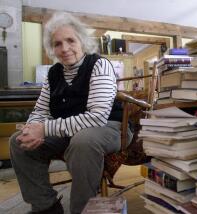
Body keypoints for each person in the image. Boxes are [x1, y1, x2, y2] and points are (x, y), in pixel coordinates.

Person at [10, 12, 132, 214]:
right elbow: (41, 109)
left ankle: (82, 209)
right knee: (18, 142)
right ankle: (46, 206)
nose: (65, 48)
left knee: (83, 141)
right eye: (57, 43)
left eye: (70, 40)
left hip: (110, 128)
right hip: (69, 132)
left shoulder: (99, 65)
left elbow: (97, 116)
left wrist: (45, 129)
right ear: (52, 48)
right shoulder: (53, 73)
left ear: (82, 41)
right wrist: (32, 129)